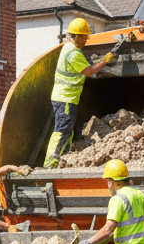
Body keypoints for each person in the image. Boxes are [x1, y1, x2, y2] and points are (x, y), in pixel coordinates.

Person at [45, 18, 114, 168]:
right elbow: (89, 71)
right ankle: (51, 162)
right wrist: (104, 61)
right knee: (62, 129)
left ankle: (62, 159)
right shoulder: (73, 53)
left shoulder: (67, 47)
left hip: (67, 98)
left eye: (85, 37)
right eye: (81, 37)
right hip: (65, 97)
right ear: (73, 36)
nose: (84, 40)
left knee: (67, 130)